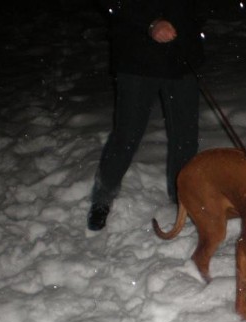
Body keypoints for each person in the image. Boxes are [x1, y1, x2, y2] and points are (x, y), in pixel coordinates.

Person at [88, 0, 205, 231]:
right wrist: (150, 22)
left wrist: (190, 24)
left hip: (181, 54)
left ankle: (183, 197)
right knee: (127, 135)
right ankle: (103, 197)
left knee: (186, 136)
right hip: (137, 57)